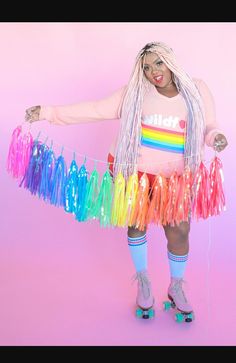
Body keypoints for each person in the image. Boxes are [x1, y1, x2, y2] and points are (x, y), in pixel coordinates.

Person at [25, 41, 228, 321]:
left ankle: (176, 286)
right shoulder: (135, 94)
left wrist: (216, 137)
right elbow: (94, 109)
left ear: (170, 61)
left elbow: (209, 125)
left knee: (179, 232)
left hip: (176, 179)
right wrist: (47, 113)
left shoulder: (196, 89)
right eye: (146, 67)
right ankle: (143, 281)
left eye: (158, 63)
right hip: (135, 174)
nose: (153, 71)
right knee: (136, 226)